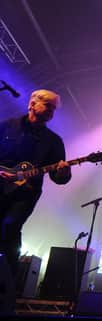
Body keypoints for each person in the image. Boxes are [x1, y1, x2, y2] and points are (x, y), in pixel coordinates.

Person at [0, 89, 71, 280]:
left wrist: (63, 172)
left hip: (25, 194)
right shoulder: (7, 126)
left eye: (54, 109)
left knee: (10, 227)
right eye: (48, 106)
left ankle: (6, 284)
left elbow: (59, 178)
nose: (51, 112)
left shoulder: (54, 141)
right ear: (32, 104)